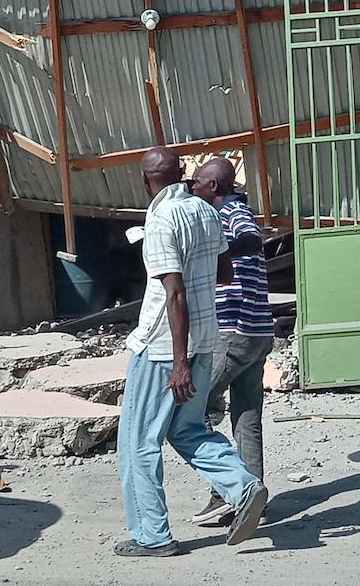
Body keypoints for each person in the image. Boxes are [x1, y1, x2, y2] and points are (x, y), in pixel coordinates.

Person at [115, 146, 269, 556]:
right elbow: (223, 271)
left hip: (165, 347)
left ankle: (152, 535)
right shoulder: (204, 212)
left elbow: (174, 294)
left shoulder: (161, 218)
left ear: (146, 180)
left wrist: (178, 362)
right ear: (180, 172)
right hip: (206, 338)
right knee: (187, 429)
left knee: (138, 441)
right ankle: (244, 487)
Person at [189, 156, 275, 528]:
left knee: (196, 408)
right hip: (258, 333)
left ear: (214, 187)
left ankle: (228, 491)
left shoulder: (232, 212)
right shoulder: (228, 211)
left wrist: (219, 252)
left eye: (197, 182)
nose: (192, 187)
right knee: (246, 416)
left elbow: (252, 240)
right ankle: (252, 494)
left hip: (235, 332)